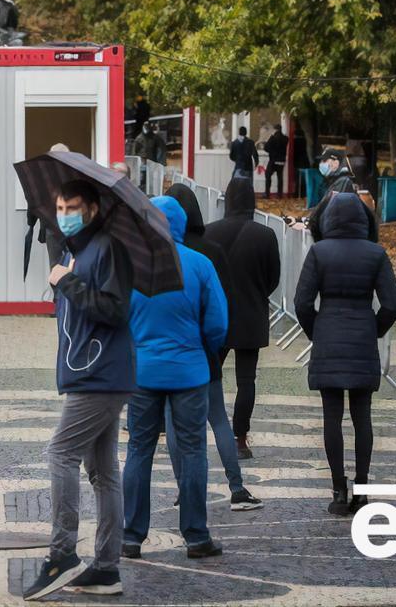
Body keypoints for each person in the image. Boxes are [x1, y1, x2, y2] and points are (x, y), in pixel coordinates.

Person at [23, 180, 135, 601]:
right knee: (104, 472)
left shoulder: (108, 248)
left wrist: (67, 283)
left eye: (72, 206)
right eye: (59, 206)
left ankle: (62, 553)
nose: (64, 212)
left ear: (90, 208)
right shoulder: (78, 250)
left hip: (100, 373)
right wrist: (64, 280)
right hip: (88, 370)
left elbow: (115, 309)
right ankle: (107, 568)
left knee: (60, 453)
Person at [122, 196, 227, 562]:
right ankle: (196, 536)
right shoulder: (200, 265)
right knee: (193, 449)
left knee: (139, 449)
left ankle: (131, 535)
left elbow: (117, 317)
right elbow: (217, 324)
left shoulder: (131, 265)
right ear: (179, 225)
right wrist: (200, 347)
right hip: (189, 371)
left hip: (142, 371)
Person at [294, 193, 396, 515]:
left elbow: (302, 303)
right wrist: (375, 329)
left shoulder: (319, 252)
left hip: (328, 337)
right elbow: (393, 303)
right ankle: (363, 489)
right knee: (362, 417)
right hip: (361, 339)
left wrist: (317, 331)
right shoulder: (376, 254)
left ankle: (338, 490)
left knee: (331, 417)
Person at [163, 185, 261, 511]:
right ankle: (237, 488)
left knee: (174, 426)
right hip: (203, 350)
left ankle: (183, 489)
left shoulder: (153, 256)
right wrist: (214, 347)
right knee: (218, 420)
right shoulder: (210, 252)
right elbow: (222, 306)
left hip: (165, 355)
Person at [203, 176, 281, 460]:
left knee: (209, 376)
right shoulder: (266, 235)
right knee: (246, 380)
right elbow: (273, 278)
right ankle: (239, 438)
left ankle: (200, 428)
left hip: (216, 315)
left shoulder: (209, 233)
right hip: (251, 314)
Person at [308, 148, 376, 242]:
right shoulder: (337, 181)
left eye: (324, 161)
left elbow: (328, 207)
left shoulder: (343, 182)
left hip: (342, 237)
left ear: (336, 163)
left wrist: (310, 221)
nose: (321, 164)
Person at [263, 126, 289, 198]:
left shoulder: (273, 138)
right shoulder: (286, 138)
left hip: (273, 160)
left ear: (275, 130)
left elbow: (266, 148)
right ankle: (279, 194)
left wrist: (271, 151)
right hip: (281, 161)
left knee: (268, 175)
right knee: (280, 177)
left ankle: (267, 193)